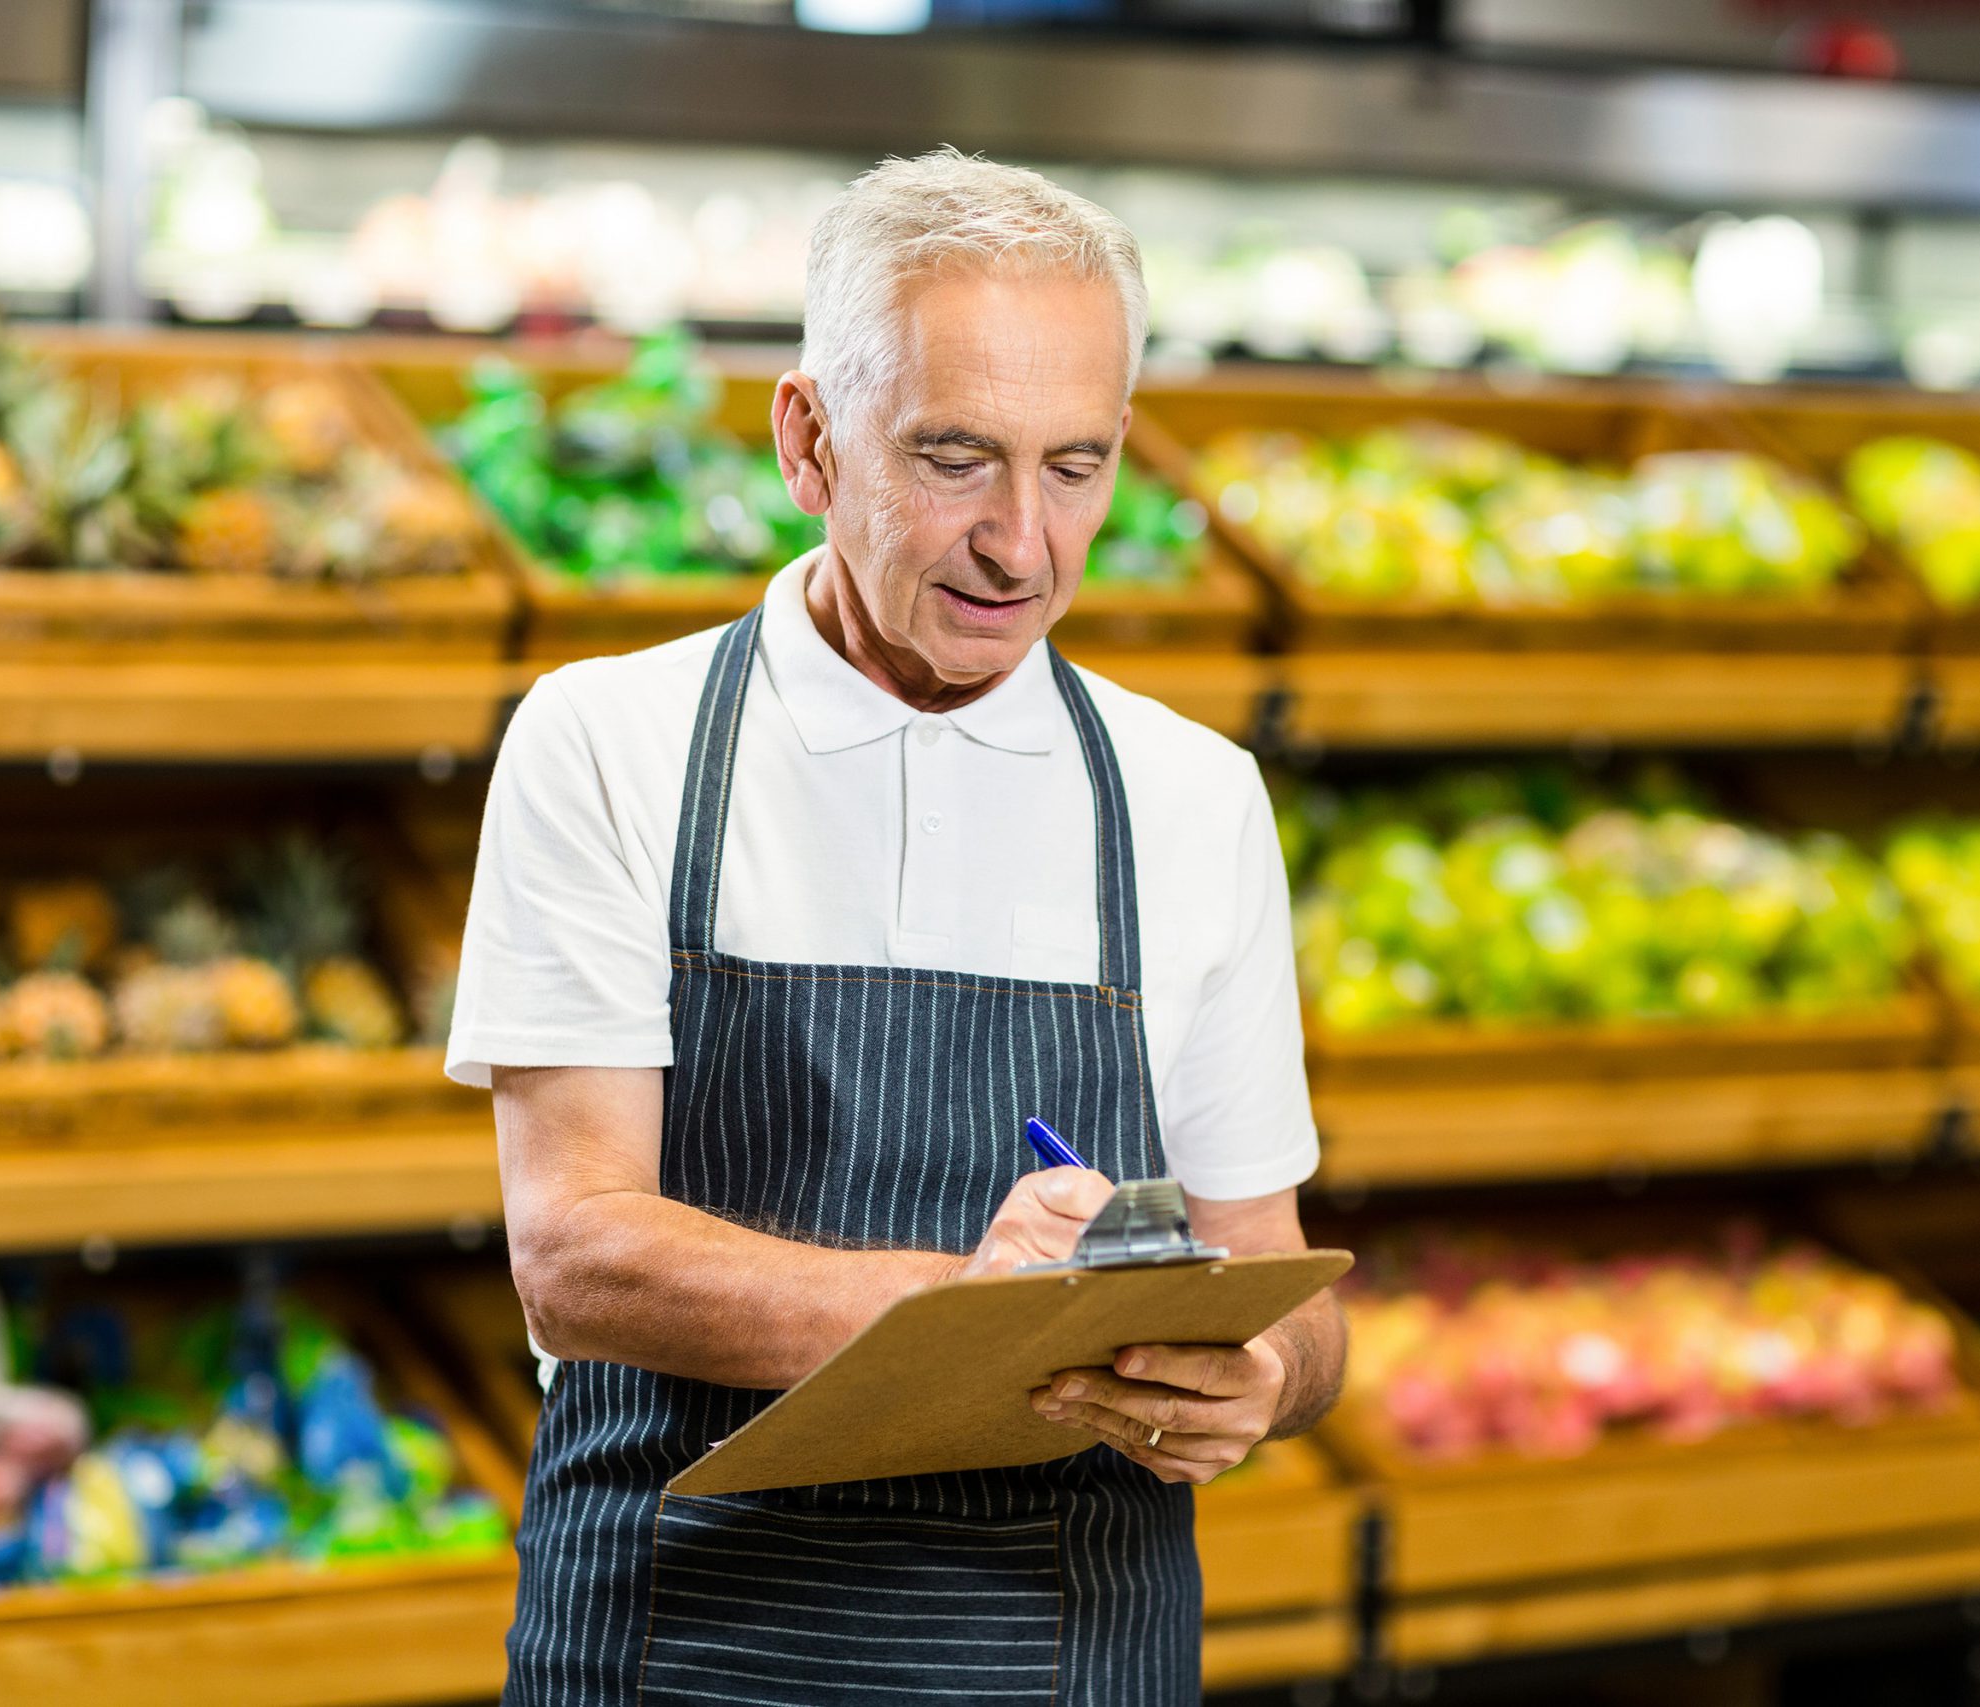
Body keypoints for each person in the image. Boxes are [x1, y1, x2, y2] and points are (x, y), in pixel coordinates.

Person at [448, 146, 1345, 1707]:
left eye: (1077, 467)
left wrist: (1261, 1379)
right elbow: (576, 1259)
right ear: (808, 440)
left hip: (1073, 1655)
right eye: (954, 459)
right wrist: (959, 1315)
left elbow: (1282, 1271)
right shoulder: (608, 743)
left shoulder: (1194, 799)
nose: (1023, 543)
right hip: (679, 1645)